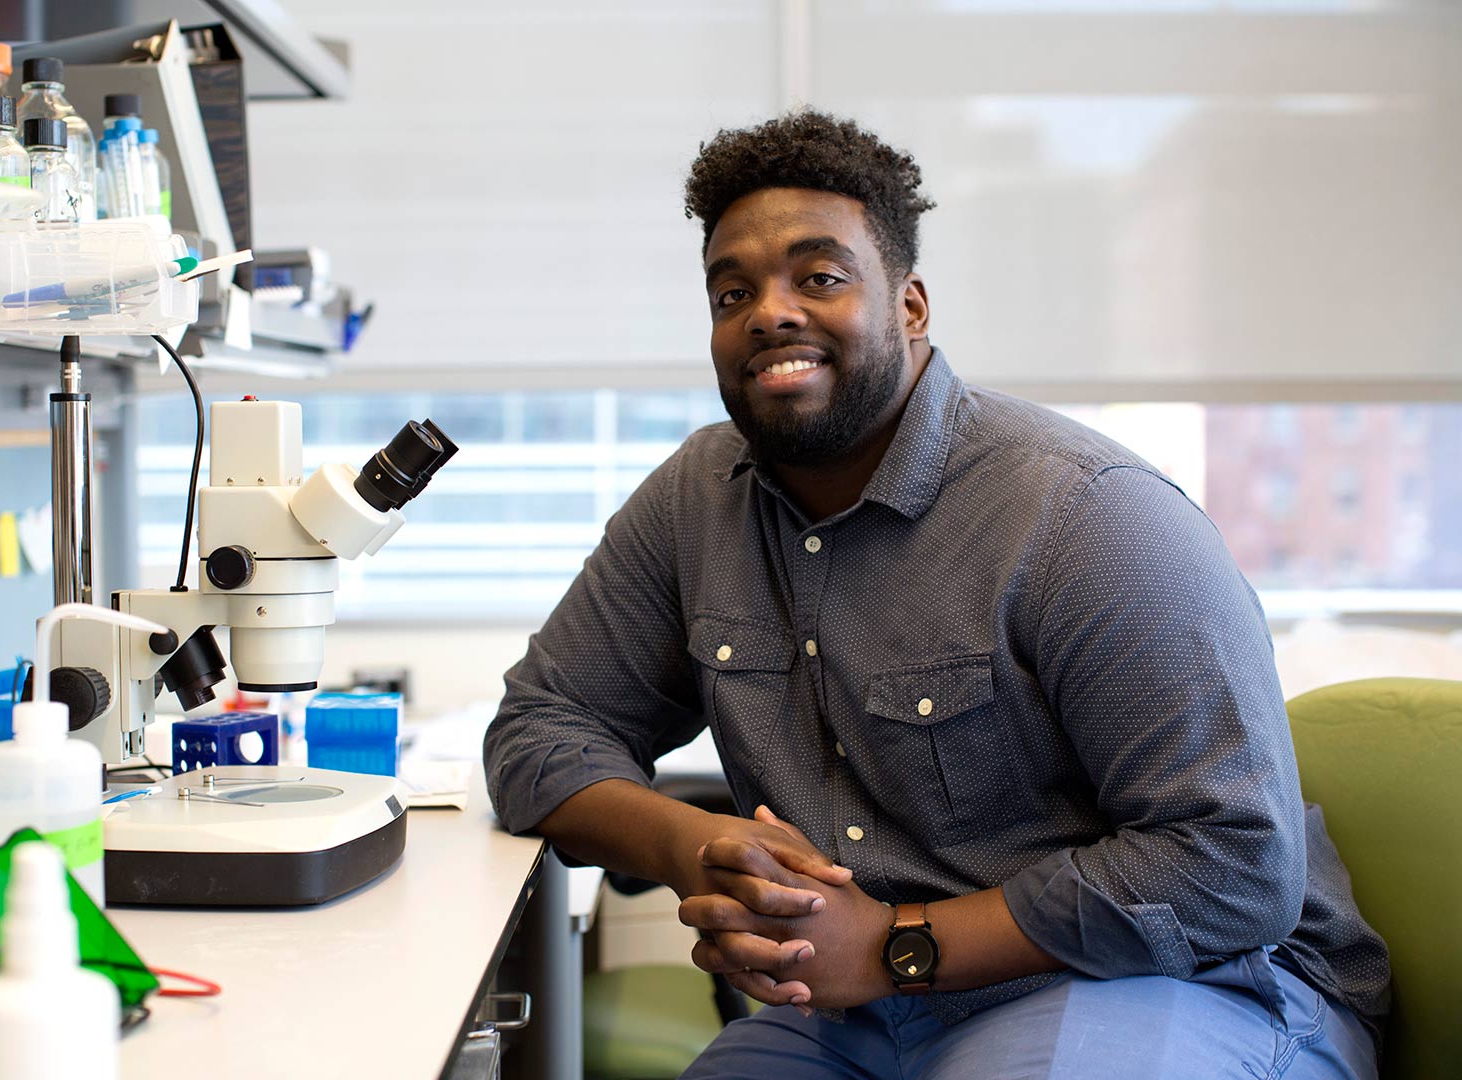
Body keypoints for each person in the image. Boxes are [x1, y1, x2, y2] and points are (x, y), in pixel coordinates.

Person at [483, 111, 1388, 1078]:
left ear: (911, 306)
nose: (769, 312)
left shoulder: (1085, 515)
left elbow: (1233, 865)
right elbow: (539, 730)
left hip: (1195, 984)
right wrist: (695, 847)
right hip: (869, 1013)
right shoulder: (698, 500)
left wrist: (890, 945)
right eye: (731, 291)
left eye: (819, 276)